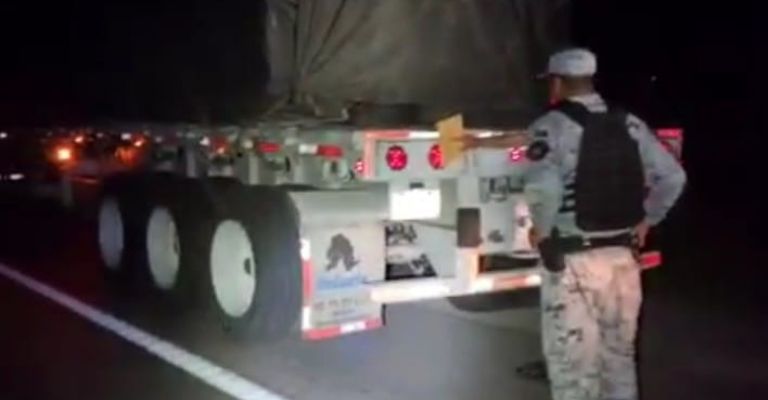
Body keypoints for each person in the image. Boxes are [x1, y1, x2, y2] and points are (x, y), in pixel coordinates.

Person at [463, 48, 687, 400]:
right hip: (623, 261)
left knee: (573, 368)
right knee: (619, 360)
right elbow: (673, 177)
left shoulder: (552, 125)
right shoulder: (628, 122)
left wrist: (542, 232)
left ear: (557, 83)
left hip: (574, 262)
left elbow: (545, 186)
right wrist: (648, 220)